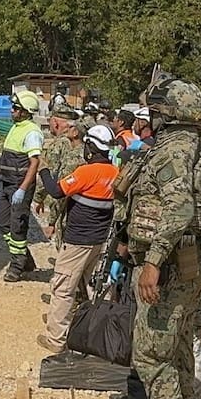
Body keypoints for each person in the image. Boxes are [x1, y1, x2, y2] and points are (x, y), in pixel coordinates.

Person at [115, 74, 201, 399]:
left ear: (163, 115)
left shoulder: (170, 154)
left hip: (170, 270)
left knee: (153, 357)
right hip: (193, 269)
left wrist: (153, 262)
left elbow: (180, 212)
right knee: (177, 358)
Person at [35, 124, 118, 352]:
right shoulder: (115, 173)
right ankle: (101, 339)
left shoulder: (86, 172)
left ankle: (56, 340)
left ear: (90, 148)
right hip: (101, 242)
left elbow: (56, 191)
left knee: (63, 289)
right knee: (99, 290)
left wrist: (43, 170)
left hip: (77, 241)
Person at [0, 91, 44, 282]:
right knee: (2, 223)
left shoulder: (31, 132)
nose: (12, 111)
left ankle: (17, 266)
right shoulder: (16, 128)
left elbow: (34, 162)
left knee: (17, 227)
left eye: (16, 108)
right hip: (7, 183)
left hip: (19, 185)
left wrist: (23, 188)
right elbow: (7, 155)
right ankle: (25, 258)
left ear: (26, 111)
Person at [35, 103, 86, 246]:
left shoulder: (58, 145)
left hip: (65, 201)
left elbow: (49, 175)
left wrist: (39, 198)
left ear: (55, 122)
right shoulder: (82, 143)